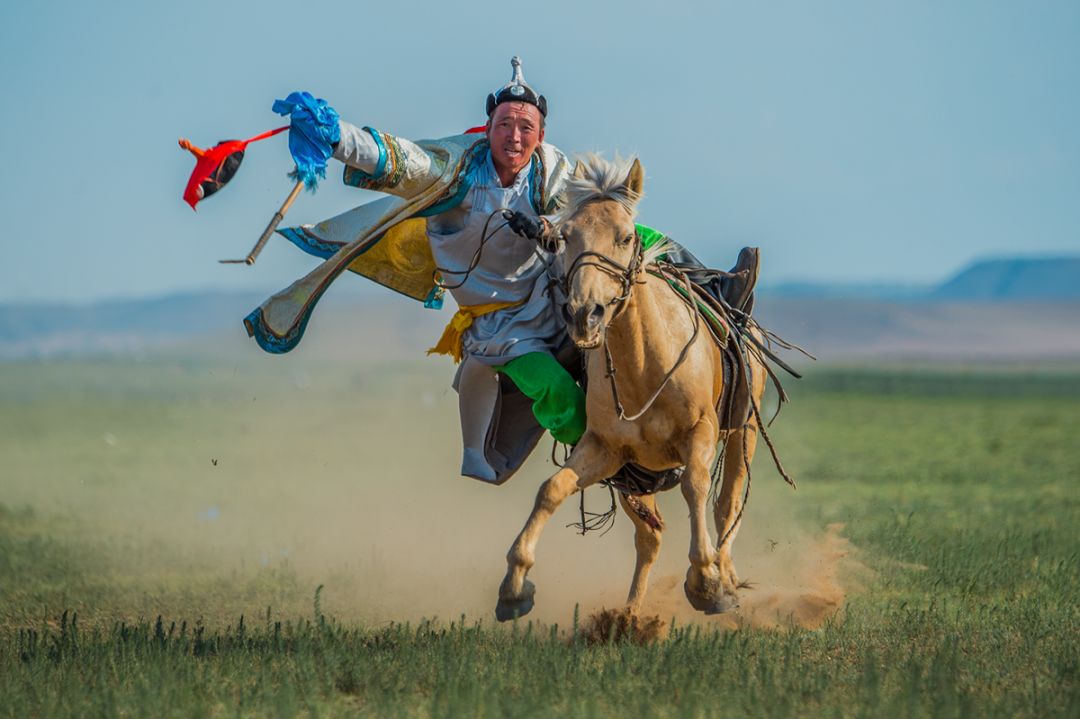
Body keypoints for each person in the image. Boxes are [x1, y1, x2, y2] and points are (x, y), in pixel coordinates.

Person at [245, 57, 758, 488]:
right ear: (488, 128)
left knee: (619, 232)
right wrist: (335, 136)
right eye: (505, 125)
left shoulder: (552, 170)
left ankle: (716, 287)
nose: (514, 136)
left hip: (557, 300)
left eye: (525, 127)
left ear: (540, 134)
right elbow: (393, 158)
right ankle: (625, 473)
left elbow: (596, 220)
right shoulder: (452, 172)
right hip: (501, 329)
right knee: (560, 394)